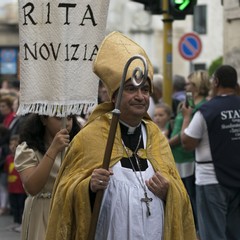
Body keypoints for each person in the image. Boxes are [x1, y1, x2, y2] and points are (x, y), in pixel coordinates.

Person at [45, 31, 196, 240]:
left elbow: (180, 194)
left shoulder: (156, 136)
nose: (140, 96)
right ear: (114, 96)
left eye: (145, 90)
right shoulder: (91, 136)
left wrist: (169, 193)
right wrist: (88, 186)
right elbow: (64, 195)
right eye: (131, 89)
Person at [181, 65, 240, 240]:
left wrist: (186, 118)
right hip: (237, 179)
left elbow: (187, 142)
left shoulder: (207, 110)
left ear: (216, 82)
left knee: (213, 233)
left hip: (211, 180)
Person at [14, 114, 81, 240]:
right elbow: (32, 187)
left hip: (69, 209)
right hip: (42, 210)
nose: (66, 123)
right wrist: (53, 149)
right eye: (59, 118)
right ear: (44, 119)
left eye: (70, 118)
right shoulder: (29, 149)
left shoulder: (76, 147)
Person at [169, 70, 210, 232]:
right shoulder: (189, 102)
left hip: (188, 157)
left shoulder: (202, 106)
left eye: (189, 83)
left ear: (198, 86)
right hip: (177, 157)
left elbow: (188, 135)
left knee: (191, 200)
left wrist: (168, 144)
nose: (186, 86)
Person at [4, 134, 26, 232]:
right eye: (11, 144)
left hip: (20, 188)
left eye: (15, 145)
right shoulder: (8, 158)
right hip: (11, 187)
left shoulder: (22, 157)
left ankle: (22, 223)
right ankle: (16, 222)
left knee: (21, 206)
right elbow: (6, 171)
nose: (13, 147)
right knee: (14, 206)